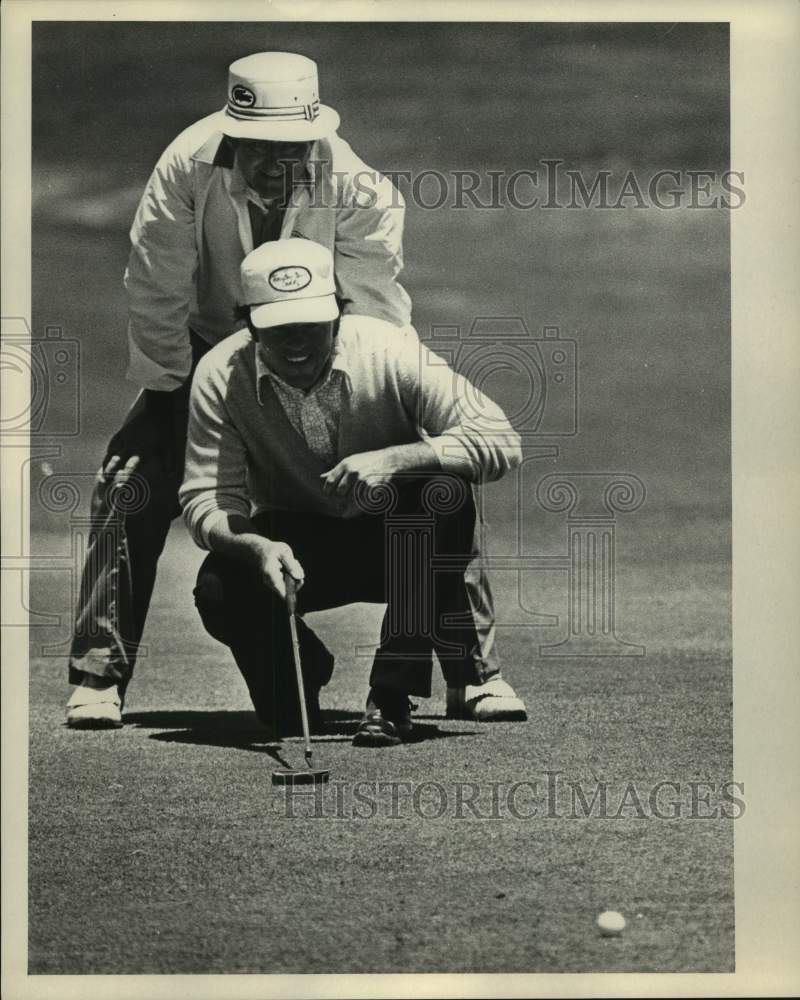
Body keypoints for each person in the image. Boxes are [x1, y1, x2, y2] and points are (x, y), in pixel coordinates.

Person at [66, 51, 412, 727]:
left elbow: (373, 309)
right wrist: (171, 395)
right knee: (130, 476)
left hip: (320, 350)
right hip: (202, 348)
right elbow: (155, 291)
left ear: (315, 140)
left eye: (292, 150)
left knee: (432, 475)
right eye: (258, 149)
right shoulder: (183, 169)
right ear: (233, 137)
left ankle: (471, 668)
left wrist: (369, 408)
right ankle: (100, 672)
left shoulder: (363, 189)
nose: (276, 166)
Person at [180, 238, 528, 746]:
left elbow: (503, 440)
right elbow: (207, 497)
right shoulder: (218, 374)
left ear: (338, 316)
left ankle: (391, 695)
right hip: (297, 546)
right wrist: (256, 546)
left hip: (402, 537)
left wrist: (397, 458)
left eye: (312, 326)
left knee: (442, 491)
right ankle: (304, 671)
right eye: (279, 330)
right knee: (219, 587)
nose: (297, 343)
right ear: (250, 325)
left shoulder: (388, 349)